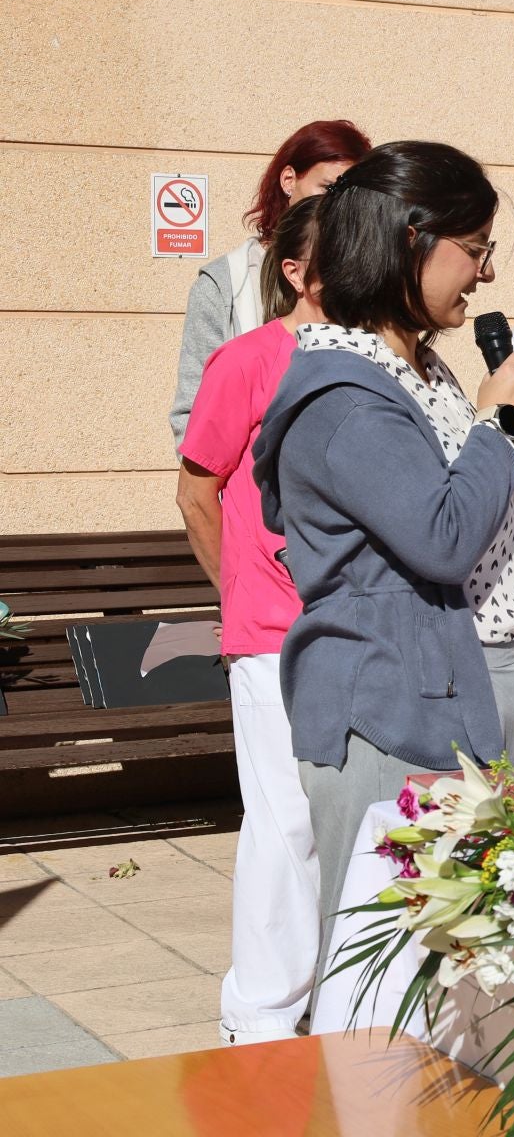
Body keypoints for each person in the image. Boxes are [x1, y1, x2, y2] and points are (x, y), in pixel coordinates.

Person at [252, 141, 514, 975]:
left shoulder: (417, 370)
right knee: (384, 977)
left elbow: (464, 520)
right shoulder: (346, 397)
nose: (487, 273)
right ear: (410, 241)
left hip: (457, 685)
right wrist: (497, 424)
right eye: (475, 249)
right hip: (394, 707)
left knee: (457, 974)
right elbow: (439, 536)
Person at [176, 196, 325, 1046]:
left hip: (358, 628)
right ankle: (260, 1019)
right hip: (270, 630)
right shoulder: (247, 360)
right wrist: (240, 594)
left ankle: (336, 1001)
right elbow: (197, 490)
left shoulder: (383, 357)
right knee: (283, 822)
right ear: (298, 272)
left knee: (344, 820)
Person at [170, 120, 372, 445]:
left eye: (353, 195)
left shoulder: (366, 276)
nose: (341, 206)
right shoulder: (227, 282)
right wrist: (233, 492)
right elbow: (192, 411)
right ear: (289, 180)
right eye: (330, 188)